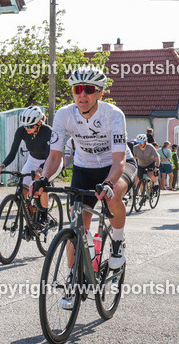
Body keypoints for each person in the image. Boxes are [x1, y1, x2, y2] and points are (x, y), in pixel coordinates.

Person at [37, 66, 134, 310]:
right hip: (84, 168)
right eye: (77, 90)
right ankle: (73, 280)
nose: (82, 95)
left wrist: (110, 183)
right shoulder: (64, 114)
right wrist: (44, 179)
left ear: (99, 93)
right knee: (76, 226)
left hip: (116, 167)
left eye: (88, 90)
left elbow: (119, 159)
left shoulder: (113, 114)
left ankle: (118, 242)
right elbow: (55, 155)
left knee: (112, 198)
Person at [0, 105, 57, 223]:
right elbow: (12, 153)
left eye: (30, 126)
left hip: (51, 160)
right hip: (33, 159)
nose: (27, 129)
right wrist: (2, 166)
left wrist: (40, 170)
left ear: (40, 123)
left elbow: (49, 156)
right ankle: (29, 219)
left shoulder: (48, 132)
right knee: (22, 189)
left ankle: (44, 217)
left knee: (42, 184)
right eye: (25, 126)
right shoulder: (21, 131)